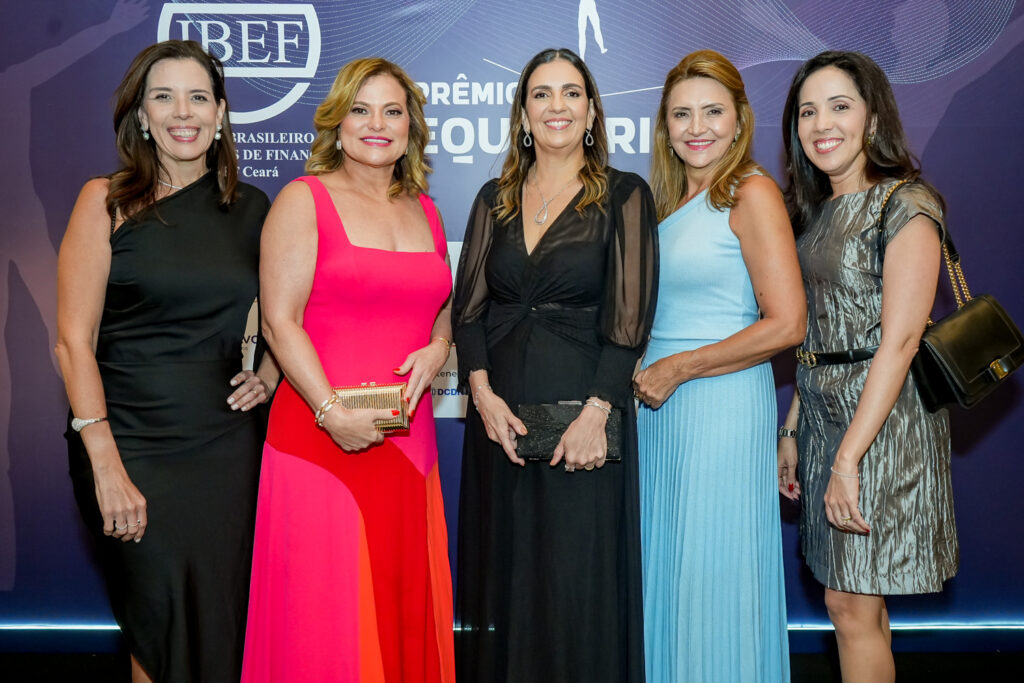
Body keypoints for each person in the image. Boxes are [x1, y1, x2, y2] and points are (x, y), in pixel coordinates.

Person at [55, 40, 276, 683]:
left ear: (220, 113)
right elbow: (72, 340)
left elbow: (289, 316)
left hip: (224, 446)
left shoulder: (254, 209)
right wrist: (105, 463)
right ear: (142, 116)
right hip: (125, 438)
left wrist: (267, 376)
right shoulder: (104, 200)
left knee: (221, 621)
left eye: (198, 97)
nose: (183, 112)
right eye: (164, 97)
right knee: (156, 622)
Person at [242, 58, 455, 682]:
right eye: (361, 110)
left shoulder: (427, 211)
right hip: (320, 439)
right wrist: (331, 413)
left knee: (399, 604)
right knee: (324, 619)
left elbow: (441, 311)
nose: (376, 124)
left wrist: (440, 347)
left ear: (411, 127)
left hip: (407, 443)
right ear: (338, 123)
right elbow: (280, 322)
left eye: (392, 111)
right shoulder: (303, 200)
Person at [452, 48, 658, 683]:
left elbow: (630, 322)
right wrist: (481, 395)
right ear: (523, 114)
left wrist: (597, 413)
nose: (556, 107)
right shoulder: (494, 198)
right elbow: (468, 311)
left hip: (581, 418)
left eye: (571, 93)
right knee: (506, 578)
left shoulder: (624, 194)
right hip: (500, 421)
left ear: (592, 112)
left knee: (575, 584)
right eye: (541, 94)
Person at [778, 51, 958, 683]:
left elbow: (901, 341)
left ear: (873, 117)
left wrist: (848, 460)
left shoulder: (905, 204)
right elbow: (816, 331)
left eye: (839, 106)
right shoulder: (811, 212)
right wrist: (792, 428)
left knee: (848, 603)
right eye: (807, 111)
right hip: (823, 413)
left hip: (883, 420)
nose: (821, 124)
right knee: (856, 601)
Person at [632, 50, 804, 682]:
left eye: (712, 111)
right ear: (665, 125)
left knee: (711, 572)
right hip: (659, 412)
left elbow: (787, 323)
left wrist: (681, 367)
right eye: (681, 114)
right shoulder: (664, 201)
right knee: (669, 571)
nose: (696, 127)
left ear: (740, 120)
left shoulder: (751, 192)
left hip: (719, 406)